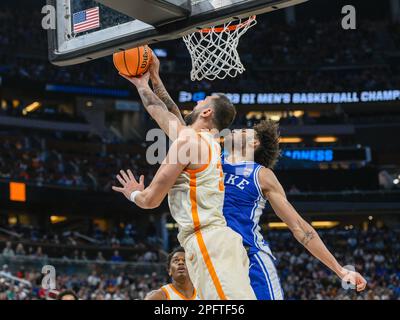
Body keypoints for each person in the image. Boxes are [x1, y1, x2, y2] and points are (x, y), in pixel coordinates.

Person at [144, 53, 367, 300]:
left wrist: (339, 270)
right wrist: (155, 78)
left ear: (254, 141)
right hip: (215, 255)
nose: (234, 130)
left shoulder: (262, 175)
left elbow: (300, 229)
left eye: (241, 130)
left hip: (250, 258)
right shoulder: (209, 153)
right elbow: (179, 122)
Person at [113, 68, 256, 300]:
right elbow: (165, 114)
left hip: (208, 242)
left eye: (203, 100)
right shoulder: (208, 142)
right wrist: (150, 81)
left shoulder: (190, 142)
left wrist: (134, 194)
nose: (198, 101)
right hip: (215, 242)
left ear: (207, 111)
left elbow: (151, 200)